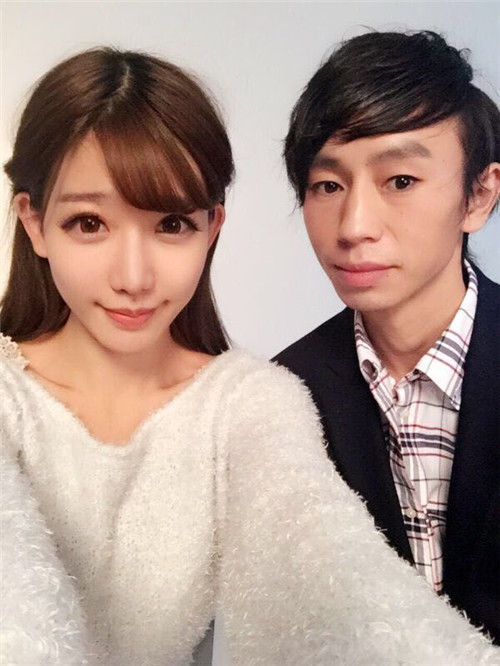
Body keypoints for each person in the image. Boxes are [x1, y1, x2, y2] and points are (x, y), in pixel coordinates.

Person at [1, 48, 498, 666]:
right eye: (88, 223)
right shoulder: (299, 382)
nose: (131, 277)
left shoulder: (253, 403)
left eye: (171, 224)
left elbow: (333, 575)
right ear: (34, 222)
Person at [275, 30, 500, 645]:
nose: (354, 226)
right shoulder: (282, 395)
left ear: (479, 196)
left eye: (400, 181)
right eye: (328, 186)